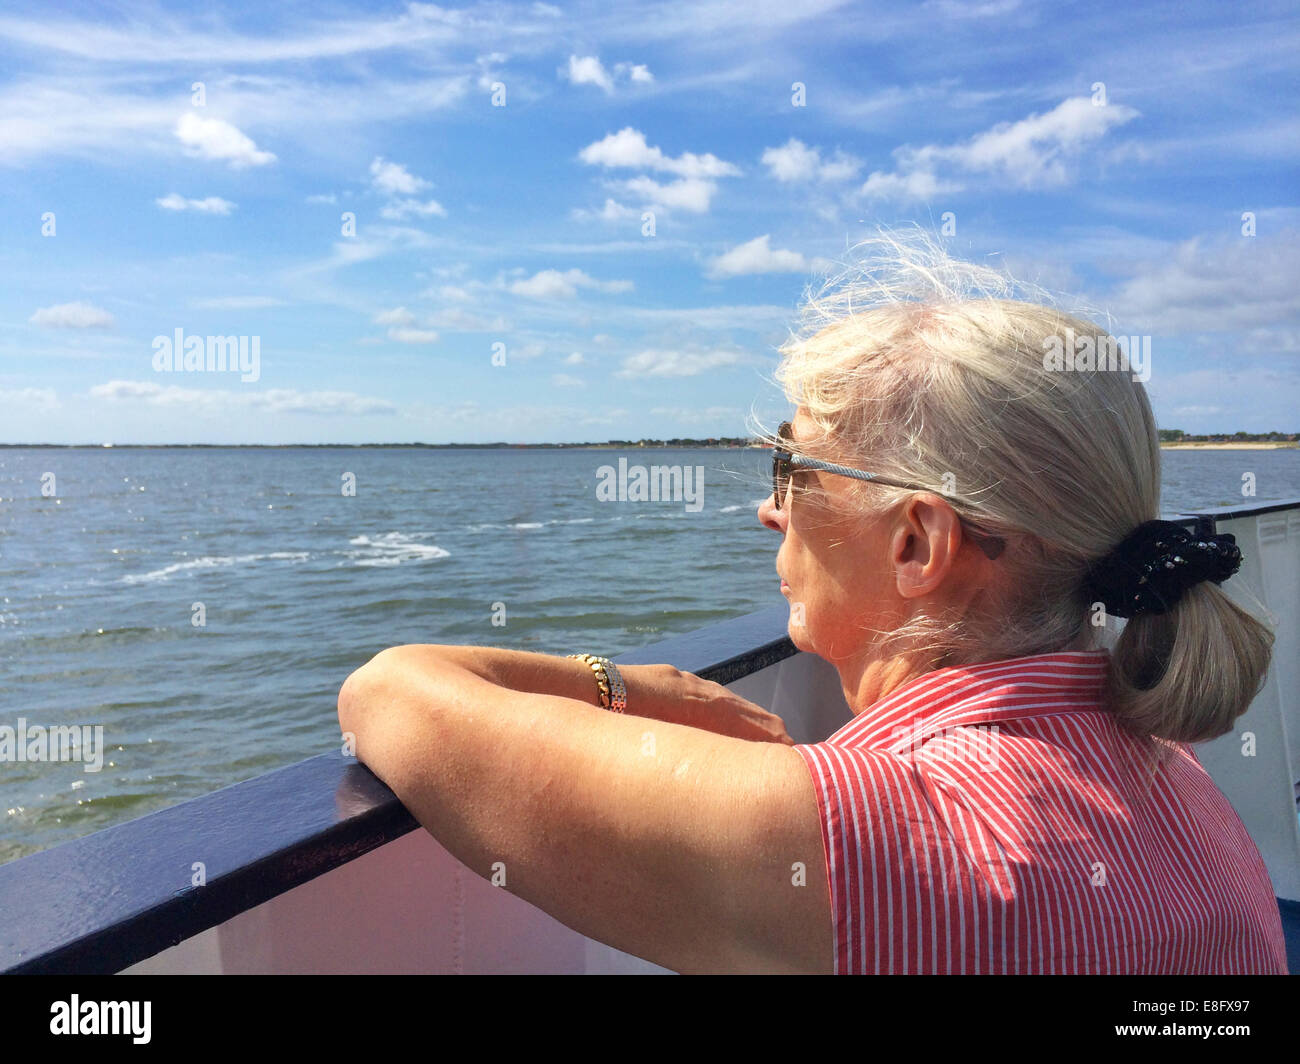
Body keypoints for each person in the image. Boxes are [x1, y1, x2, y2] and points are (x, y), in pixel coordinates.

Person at [337, 231, 1286, 974]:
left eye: (793, 467)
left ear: (918, 542)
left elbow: (391, 695)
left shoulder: (881, 831)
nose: (767, 507)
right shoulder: (1170, 773)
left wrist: (636, 689)